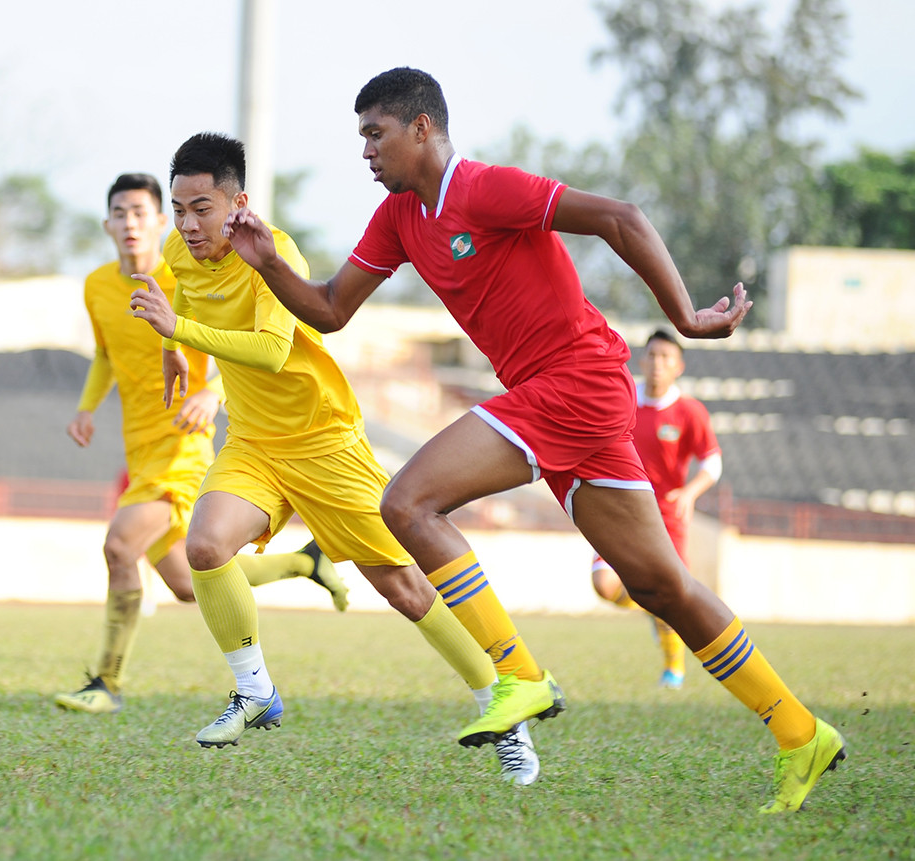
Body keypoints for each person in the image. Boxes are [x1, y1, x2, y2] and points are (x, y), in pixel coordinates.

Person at [221, 67, 844, 813]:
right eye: (361, 137)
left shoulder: (485, 188)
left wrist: (683, 315)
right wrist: (267, 262)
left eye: (374, 134)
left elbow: (622, 217)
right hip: (563, 402)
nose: (365, 152)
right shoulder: (397, 220)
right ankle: (801, 731)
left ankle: (517, 674)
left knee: (410, 502)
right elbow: (327, 310)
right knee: (660, 586)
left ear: (422, 128)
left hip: (577, 380)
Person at [130, 132, 540, 786]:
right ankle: (255, 690)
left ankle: (502, 706)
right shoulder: (181, 250)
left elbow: (268, 349)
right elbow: (178, 289)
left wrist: (176, 332)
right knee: (203, 548)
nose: (186, 223)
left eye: (201, 208)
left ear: (237, 202)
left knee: (404, 587)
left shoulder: (273, 251)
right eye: (178, 208)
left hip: (324, 441)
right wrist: (173, 350)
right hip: (256, 444)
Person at [53, 173, 352, 718]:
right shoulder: (97, 286)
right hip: (139, 447)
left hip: (183, 446)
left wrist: (211, 392)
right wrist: (86, 407)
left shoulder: (183, 269)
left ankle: (106, 681)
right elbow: (104, 354)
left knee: (120, 546)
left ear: (160, 222)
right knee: (191, 584)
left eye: (141, 213)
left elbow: (233, 340)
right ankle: (303, 565)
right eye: (120, 214)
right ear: (107, 224)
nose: (130, 224)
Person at [591, 329, 722, 689]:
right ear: (642, 360)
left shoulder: (689, 411)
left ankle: (673, 669)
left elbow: (712, 463)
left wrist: (689, 493)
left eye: (665, 357)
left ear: (678, 366)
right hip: (618, 511)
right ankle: (652, 610)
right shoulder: (624, 399)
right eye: (651, 355)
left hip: (666, 516)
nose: (657, 363)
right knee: (604, 584)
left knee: (672, 594)